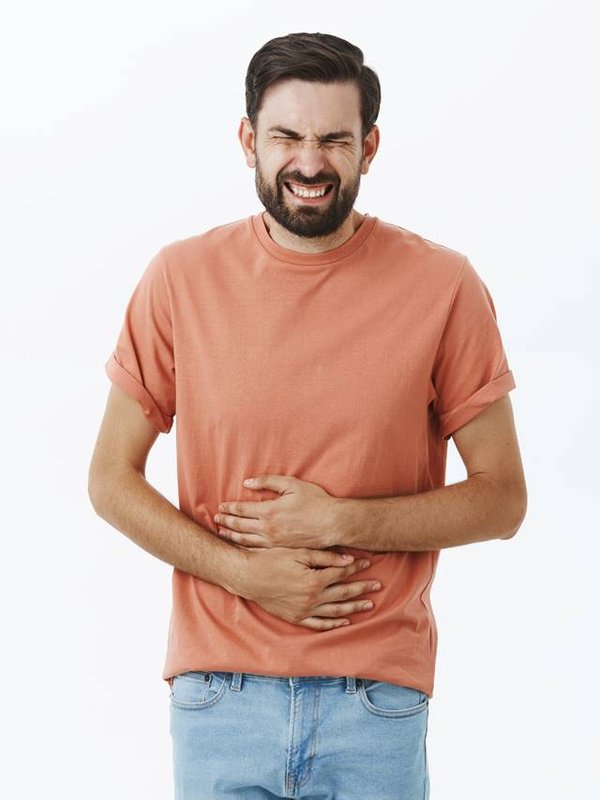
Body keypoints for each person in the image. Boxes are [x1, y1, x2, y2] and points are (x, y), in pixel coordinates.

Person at [88, 31, 527, 800]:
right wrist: (245, 574)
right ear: (249, 140)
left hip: (375, 698)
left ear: (371, 146)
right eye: (288, 136)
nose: (311, 163)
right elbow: (109, 479)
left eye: (335, 139)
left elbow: (503, 499)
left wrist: (338, 520)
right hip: (219, 696)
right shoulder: (179, 279)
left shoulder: (444, 286)